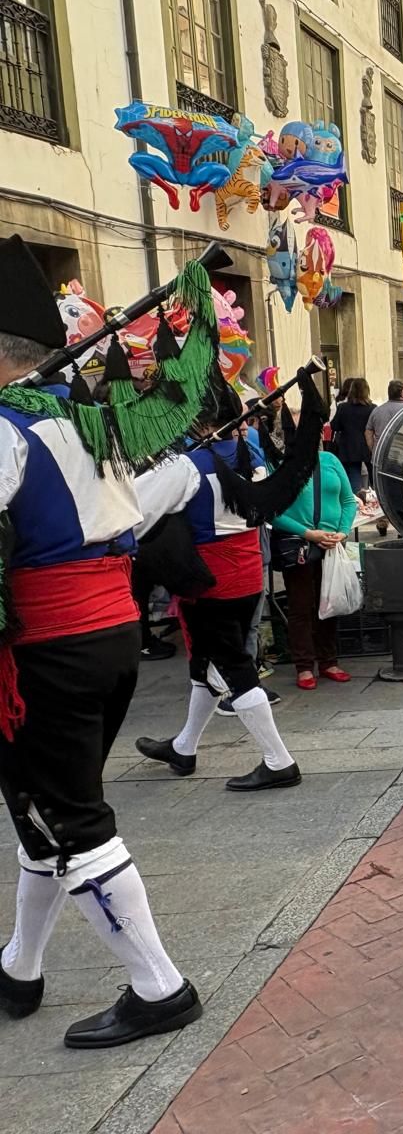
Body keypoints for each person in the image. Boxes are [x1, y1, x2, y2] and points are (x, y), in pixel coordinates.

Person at [0, 236, 203, 1048]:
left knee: (69, 814)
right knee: (43, 809)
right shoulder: (91, 421)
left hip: (47, 646)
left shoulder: (9, 428)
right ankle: (21, 965)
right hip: (108, 633)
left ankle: (160, 985)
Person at [133, 393, 302, 792]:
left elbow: (135, 509)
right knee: (205, 664)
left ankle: (279, 760)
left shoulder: (188, 465)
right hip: (244, 573)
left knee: (232, 667)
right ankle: (184, 746)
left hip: (207, 580)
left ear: (202, 422)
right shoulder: (252, 458)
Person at [268, 444, 357, 691]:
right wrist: (308, 533)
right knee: (301, 606)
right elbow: (272, 511)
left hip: (332, 544)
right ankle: (304, 666)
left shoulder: (330, 460)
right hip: (299, 546)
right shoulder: (282, 465)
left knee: (330, 602)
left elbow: (348, 500)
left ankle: (329, 661)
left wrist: (342, 531)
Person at [328, 376, 373, 491]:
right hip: (368, 445)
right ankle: (375, 498)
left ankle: (357, 502)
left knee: (354, 476)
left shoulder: (343, 407)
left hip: (349, 446)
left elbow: (334, 426)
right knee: (373, 475)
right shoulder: (372, 408)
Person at [365, 380, 403, 455]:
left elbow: (368, 432)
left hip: (380, 454)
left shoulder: (377, 410)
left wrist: (373, 449)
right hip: (402, 455)